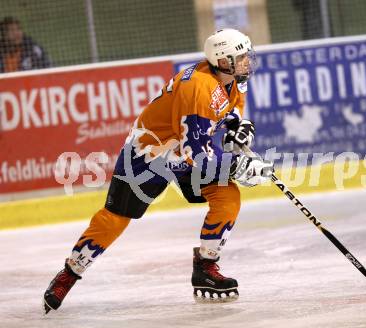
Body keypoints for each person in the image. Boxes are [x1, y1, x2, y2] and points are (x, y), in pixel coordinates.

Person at [43, 28, 273, 313]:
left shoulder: (234, 79)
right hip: (149, 152)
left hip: (187, 147)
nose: (247, 62)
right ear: (223, 61)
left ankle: (205, 265)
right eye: (241, 58)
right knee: (115, 219)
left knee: (228, 196)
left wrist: (235, 128)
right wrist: (236, 165)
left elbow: (231, 110)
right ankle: (70, 271)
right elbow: (197, 157)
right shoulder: (198, 88)